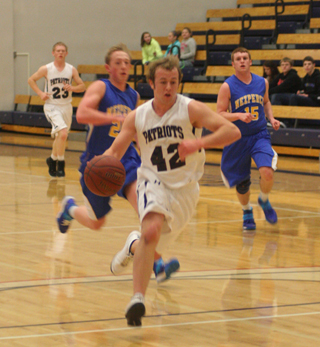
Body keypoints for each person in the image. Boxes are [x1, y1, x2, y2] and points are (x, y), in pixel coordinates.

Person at [103, 55, 241, 326]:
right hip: (152, 181)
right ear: (151, 83)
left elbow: (232, 131)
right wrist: (98, 166)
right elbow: (115, 151)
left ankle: (133, 244)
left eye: (174, 82)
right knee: (151, 230)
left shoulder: (190, 109)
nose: (168, 87)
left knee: (151, 241)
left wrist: (199, 142)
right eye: (163, 82)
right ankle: (137, 300)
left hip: (186, 191)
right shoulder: (138, 116)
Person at [56, 43, 180, 285]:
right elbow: (81, 114)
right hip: (98, 164)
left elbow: (134, 130)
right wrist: (112, 117)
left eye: (127, 62)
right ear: (108, 67)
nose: (124, 66)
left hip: (128, 162)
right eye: (118, 62)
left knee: (146, 211)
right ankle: (70, 208)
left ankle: (158, 266)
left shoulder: (133, 95)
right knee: (96, 222)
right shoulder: (101, 87)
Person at [217, 47, 281, 232]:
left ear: (251, 61)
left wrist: (272, 118)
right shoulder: (227, 86)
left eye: (245, 58)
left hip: (259, 134)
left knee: (267, 172)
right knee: (242, 183)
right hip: (237, 137)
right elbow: (220, 114)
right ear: (233, 64)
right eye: (238, 58)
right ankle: (247, 211)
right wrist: (237, 115)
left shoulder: (262, 82)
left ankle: (264, 199)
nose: (242, 61)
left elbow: (266, 101)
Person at [28, 42, 86, 177]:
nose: (60, 53)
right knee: (63, 133)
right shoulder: (46, 68)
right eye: (58, 51)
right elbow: (31, 80)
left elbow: (82, 86)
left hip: (66, 106)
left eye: (63, 51)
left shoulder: (71, 69)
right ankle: (60, 164)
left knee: (61, 136)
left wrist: (73, 88)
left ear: (66, 53)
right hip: (51, 106)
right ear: (53, 53)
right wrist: (40, 93)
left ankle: (52, 159)